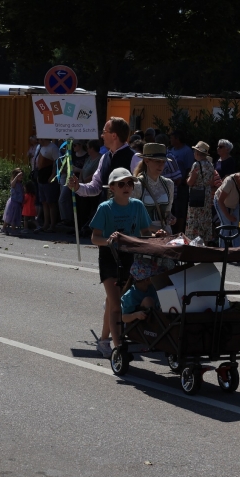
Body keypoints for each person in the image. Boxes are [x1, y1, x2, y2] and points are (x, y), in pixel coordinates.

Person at [89, 168, 165, 358]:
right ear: (112, 187)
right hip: (109, 258)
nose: (127, 187)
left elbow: (145, 232)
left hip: (130, 258)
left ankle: (104, 340)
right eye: (121, 184)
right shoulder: (105, 208)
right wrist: (109, 241)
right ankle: (119, 348)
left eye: (130, 183)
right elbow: (94, 237)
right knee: (116, 305)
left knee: (112, 301)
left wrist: (157, 235)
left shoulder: (137, 206)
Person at [67, 117, 137, 200]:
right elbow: (96, 186)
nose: (102, 135)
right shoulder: (104, 157)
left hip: (125, 208)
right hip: (105, 207)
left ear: (114, 135)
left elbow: (139, 190)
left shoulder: (135, 158)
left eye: (104, 132)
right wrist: (78, 187)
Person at [132, 143, 176, 234]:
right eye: (157, 161)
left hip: (164, 233)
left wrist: (171, 218)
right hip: (144, 234)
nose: (161, 165)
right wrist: (155, 228)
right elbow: (133, 216)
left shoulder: (169, 184)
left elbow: (168, 212)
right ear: (147, 161)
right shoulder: (137, 185)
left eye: (163, 162)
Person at [185, 141, 218, 243]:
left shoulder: (196, 165)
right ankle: (204, 241)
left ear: (197, 153)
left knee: (195, 220)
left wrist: (187, 179)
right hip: (206, 195)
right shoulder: (210, 165)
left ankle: (193, 241)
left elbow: (191, 182)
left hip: (196, 194)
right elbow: (211, 182)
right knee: (205, 219)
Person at [215, 168, 240, 248]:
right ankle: (222, 250)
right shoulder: (229, 182)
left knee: (236, 228)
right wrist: (228, 216)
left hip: (234, 204)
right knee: (226, 225)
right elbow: (220, 201)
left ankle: (236, 250)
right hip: (221, 203)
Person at [121, 259, 162, 324]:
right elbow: (124, 318)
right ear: (147, 280)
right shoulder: (130, 295)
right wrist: (136, 315)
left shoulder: (152, 288)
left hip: (155, 318)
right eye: (154, 275)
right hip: (139, 325)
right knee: (148, 301)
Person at [34, 138, 61, 233]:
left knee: (51, 202)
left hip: (49, 179)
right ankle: (46, 224)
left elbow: (58, 162)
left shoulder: (53, 148)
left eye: (39, 139)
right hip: (41, 178)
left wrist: (53, 175)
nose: (38, 141)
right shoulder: (41, 147)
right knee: (44, 202)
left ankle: (52, 225)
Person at [1, 169, 24, 235]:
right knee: (10, 216)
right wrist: (16, 177)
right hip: (13, 202)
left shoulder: (20, 184)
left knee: (15, 216)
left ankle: (11, 229)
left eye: (22, 175)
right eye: (20, 176)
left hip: (18, 202)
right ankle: (8, 229)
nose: (21, 177)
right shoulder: (14, 183)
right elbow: (12, 185)